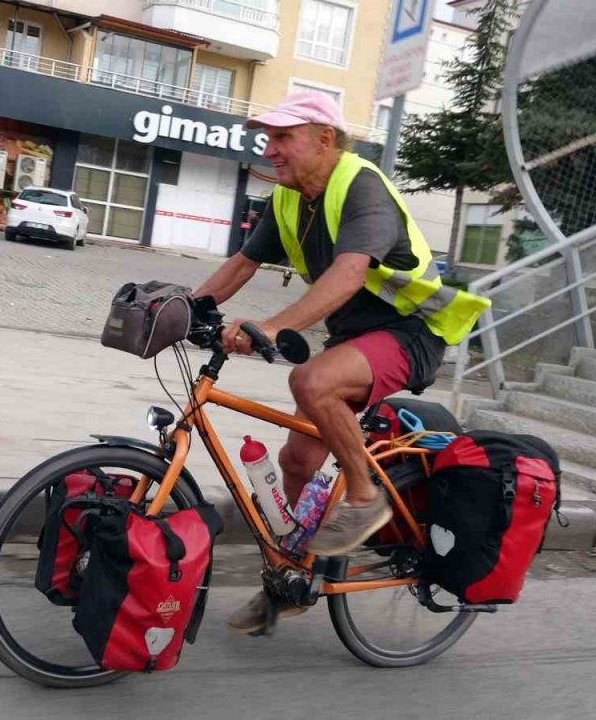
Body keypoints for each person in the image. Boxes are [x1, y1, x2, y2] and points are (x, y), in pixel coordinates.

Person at [191, 91, 490, 635]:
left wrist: (279, 326)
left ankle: (364, 495)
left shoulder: (361, 186)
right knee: (298, 462)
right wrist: (183, 308)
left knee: (312, 381)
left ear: (324, 139)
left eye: (283, 137)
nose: (271, 149)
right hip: (355, 338)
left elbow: (352, 272)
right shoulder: (287, 199)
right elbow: (242, 264)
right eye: (268, 137)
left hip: (409, 332)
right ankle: (290, 583)